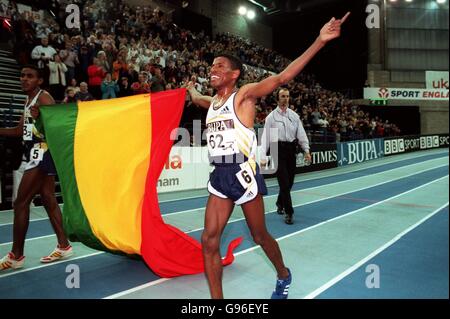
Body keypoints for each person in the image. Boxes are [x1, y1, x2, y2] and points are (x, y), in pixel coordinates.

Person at [186, 12, 350, 299]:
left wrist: (319, 41)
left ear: (234, 74)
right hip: (219, 175)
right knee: (209, 241)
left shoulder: (245, 95)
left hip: (243, 173)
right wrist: (188, 88)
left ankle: (284, 274)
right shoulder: (212, 102)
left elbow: (283, 76)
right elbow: (197, 98)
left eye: (220, 65)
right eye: (211, 65)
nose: (213, 68)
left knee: (259, 235)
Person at [0, 65, 73, 271]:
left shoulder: (44, 98)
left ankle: (16, 255)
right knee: (49, 199)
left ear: (39, 80)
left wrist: (41, 119)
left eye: (30, 76)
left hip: (42, 152)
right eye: (22, 76)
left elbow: (57, 129)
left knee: (20, 202)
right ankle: (64, 245)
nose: (24, 79)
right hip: (34, 151)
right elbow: (18, 131)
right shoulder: (28, 99)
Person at [260, 88, 311, 225]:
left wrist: (306, 150)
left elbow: (301, 133)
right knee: (283, 182)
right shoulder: (271, 117)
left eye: (287, 96)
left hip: (291, 150)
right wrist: (263, 155)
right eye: (283, 96)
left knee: (290, 182)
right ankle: (289, 212)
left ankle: (279, 202)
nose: (285, 99)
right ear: (278, 99)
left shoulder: (294, 116)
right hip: (277, 150)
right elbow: (265, 137)